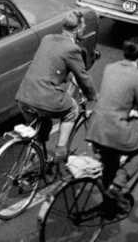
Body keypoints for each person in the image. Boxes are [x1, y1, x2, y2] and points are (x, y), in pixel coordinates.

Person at [15, 10, 97, 167]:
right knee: (72, 109)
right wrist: (93, 95)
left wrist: (67, 77)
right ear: (78, 29)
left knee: (41, 131)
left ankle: (27, 168)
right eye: (83, 27)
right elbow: (83, 77)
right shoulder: (72, 49)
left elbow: (51, 65)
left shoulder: (47, 39)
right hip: (43, 97)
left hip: (24, 96)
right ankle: (60, 152)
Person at [86, 37, 138, 195]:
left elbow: (114, 97)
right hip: (113, 129)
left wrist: (128, 111)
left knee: (111, 161)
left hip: (96, 126)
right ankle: (118, 185)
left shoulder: (110, 68)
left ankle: (108, 201)